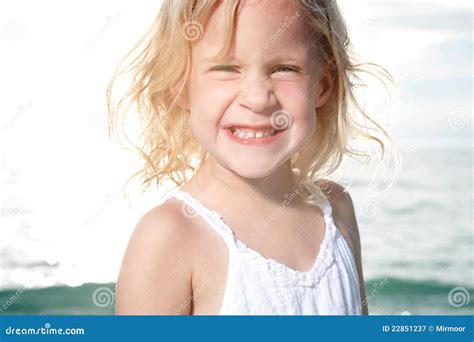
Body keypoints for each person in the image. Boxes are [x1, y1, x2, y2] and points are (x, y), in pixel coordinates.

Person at [108, 0, 397, 315]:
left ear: (323, 85)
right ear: (181, 85)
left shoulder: (336, 210)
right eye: (226, 68)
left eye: (284, 69)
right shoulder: (170, 236)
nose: (258, 98)